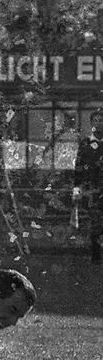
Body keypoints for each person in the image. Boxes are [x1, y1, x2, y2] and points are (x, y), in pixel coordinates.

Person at [73, 109, 103, 264]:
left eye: (101, 120)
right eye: (95, 120)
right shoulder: (85, 144)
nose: (98, 123)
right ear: (91, 123)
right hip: (93, 190)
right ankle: (96, 256)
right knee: (96, 223)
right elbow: (78, 166)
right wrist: (77, 187)